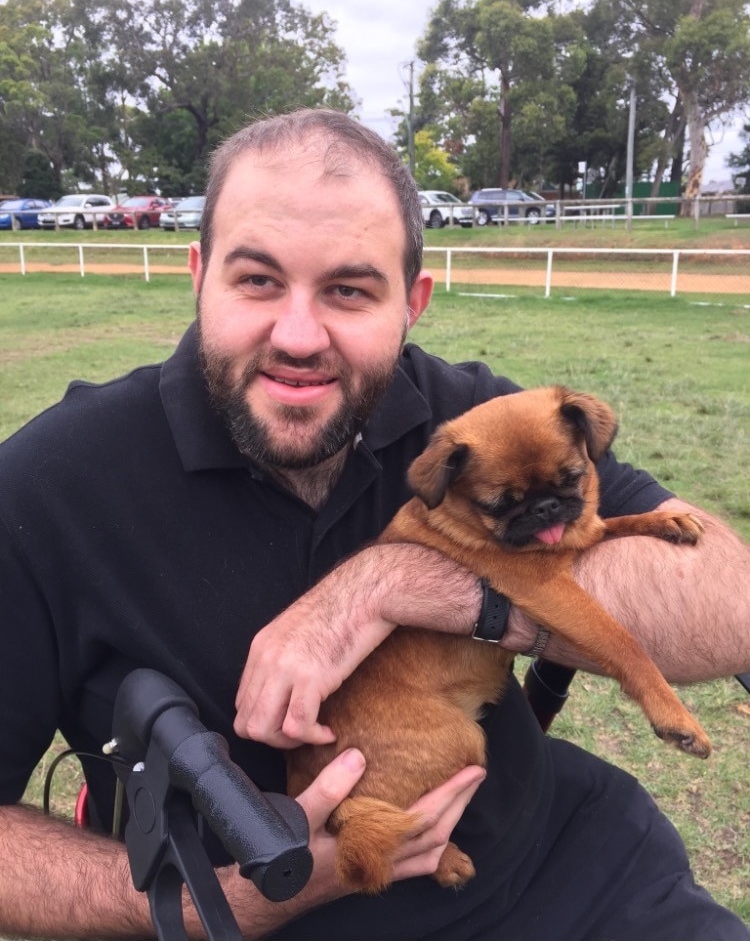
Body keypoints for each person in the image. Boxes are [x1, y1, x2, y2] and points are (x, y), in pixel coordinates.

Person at [0, 108, 748, 941]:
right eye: (257, 280)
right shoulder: (50, 487)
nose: (297, 335)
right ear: (197, 274)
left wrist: (397, 582)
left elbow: (729, 601)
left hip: (571, 873)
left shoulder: (476, 423)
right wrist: (215, 904)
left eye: (349, 290)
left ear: (413, 302)